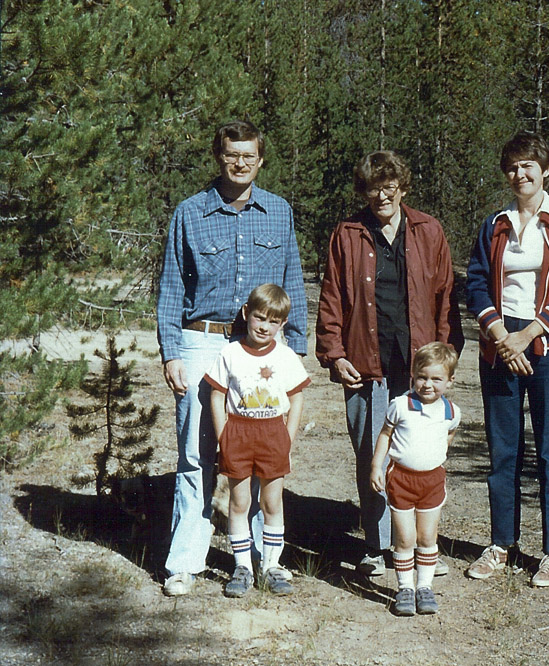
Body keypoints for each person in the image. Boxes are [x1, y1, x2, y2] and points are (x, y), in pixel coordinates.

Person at [156, 120, 308, 596]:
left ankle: (266, 561)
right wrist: (172, 352)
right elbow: (171, 286)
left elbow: (293, 279)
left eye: (249, 155)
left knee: (264, 450)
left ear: (261, 160)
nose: (240, 163)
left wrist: (294, 348)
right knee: (195, 453)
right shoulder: (190, 212)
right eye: (231, 154)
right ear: (218, 157)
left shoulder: (278, 212)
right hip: (202, 341)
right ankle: (186, 560)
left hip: (261, 346)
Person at [316, 150, 463, 577]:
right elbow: (331, 297)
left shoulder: (427, 230)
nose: (380, 195)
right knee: (372, 453)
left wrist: (445, 353)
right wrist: (334, 352)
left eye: (388, 186)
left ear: (402, 186)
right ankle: (379, 546)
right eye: (371, 188)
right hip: (365, 360)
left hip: (418, 363)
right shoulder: (347, 233)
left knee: (422, 450)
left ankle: (422, 545)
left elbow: (445, 295)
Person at [464, 131, 549, 587]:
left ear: (546, 169)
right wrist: (501, 336)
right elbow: (475, 283)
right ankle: (502, 544)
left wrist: (529, 335)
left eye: (529, 165)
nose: (521, 174)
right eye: (513, 167)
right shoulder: (494, 224)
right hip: (499, 347)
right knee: (503, 452)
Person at [205, 284, 311, 597]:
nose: (264, 326)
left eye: (273, 321)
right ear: (246, 314)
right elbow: (216, 394)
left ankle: (270, 566)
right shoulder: (230, 353)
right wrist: (224, 435)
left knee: (271, 502)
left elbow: (297, 397)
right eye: (259, 317)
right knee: (239, 503)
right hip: (238, 431)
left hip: (272, 433)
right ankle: (242, 567)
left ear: (282, 324)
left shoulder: (286, 356)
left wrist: (288, 436)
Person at [370, 342, 460, 615]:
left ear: (449, 381)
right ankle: (405, 589)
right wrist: (376, 465)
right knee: (406, 538)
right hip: (402, 480)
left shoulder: (451, 411)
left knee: (427, 536)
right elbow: (385, 434)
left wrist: (435, 456)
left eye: (436, 379)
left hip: (432, 481)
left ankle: (424, 587)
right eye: (422, 377)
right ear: (413, 376)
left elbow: (448, 434)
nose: (428, 385)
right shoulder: (400, 405)